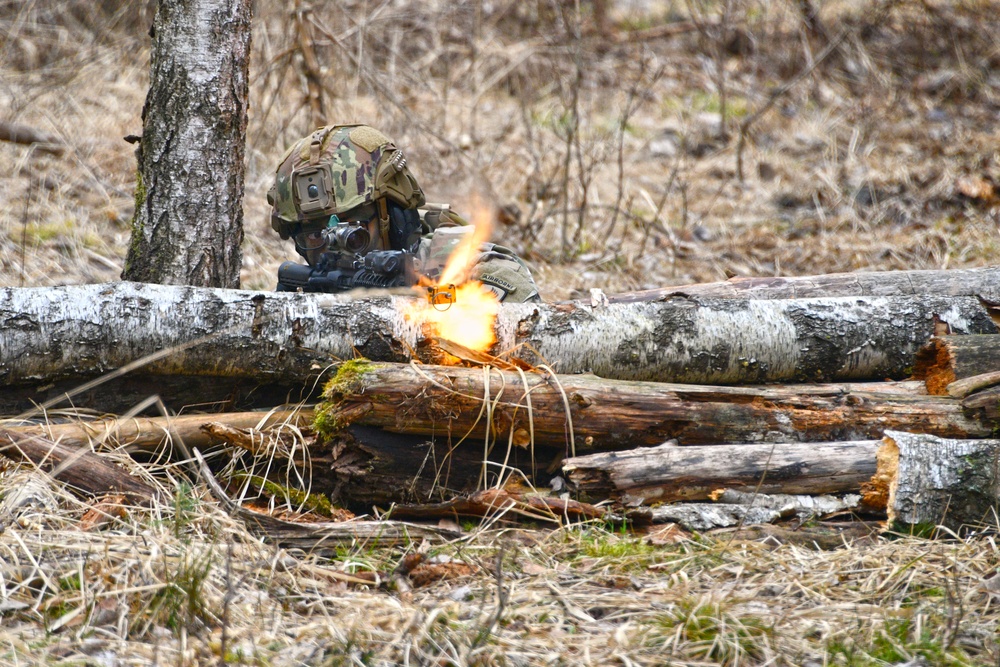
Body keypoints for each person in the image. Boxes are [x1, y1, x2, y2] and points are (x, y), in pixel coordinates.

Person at [267, 124, 540, 302]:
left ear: (393, 217)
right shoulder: (307, 291)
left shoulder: (465, 266)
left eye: (351, 232)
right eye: (315, 236)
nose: (333, 250)